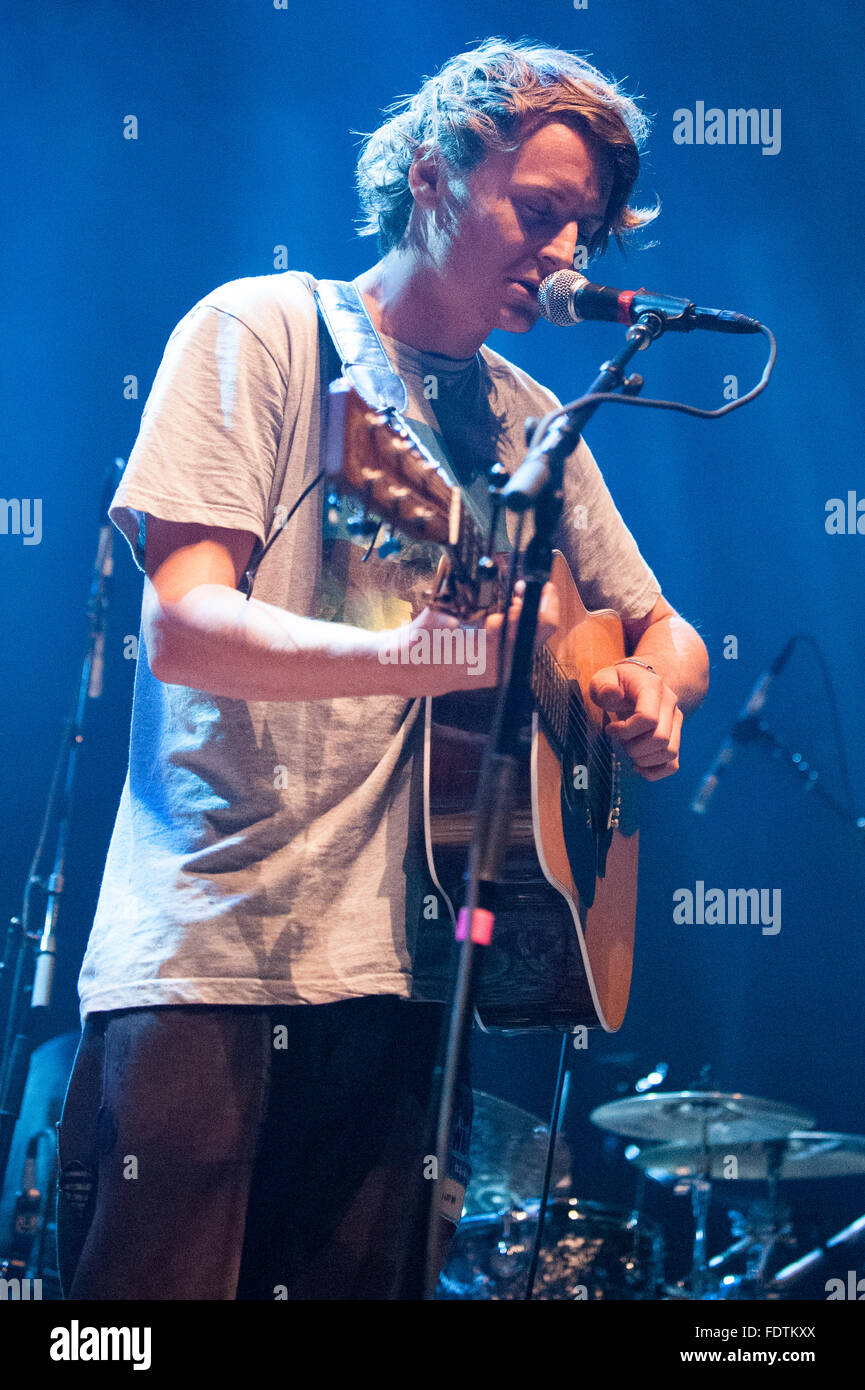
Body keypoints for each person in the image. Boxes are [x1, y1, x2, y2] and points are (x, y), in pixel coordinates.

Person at [56, 38, 709, 1300]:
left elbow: (663, 625)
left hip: (420, 965)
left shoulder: (530, 419)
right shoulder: (265, 331)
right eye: (541, 213)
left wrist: (657, 691)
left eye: (588, 235)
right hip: (221, 948)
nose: (568, 256)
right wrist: (399, 659)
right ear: (431, 174)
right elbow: (186, 627)